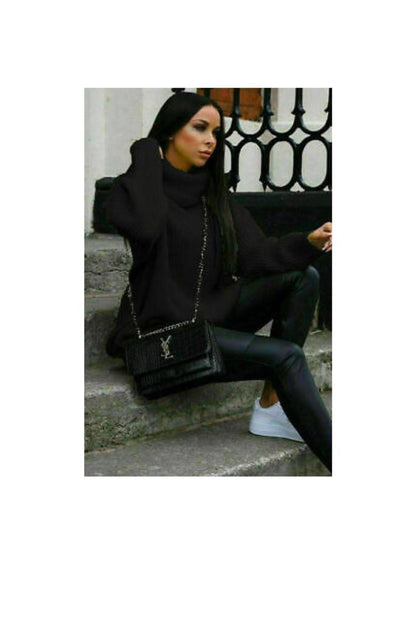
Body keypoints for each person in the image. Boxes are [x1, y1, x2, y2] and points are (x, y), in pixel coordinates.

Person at [104, 91, 332, 473]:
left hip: (206, 322)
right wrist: (145, 151)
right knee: (286, 356)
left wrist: (307, 242)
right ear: (170, 132)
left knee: (303, 277)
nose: (210, 140)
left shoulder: (213, 197)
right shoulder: (133, 189)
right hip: (163, 337)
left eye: (215, 132)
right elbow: (145, 227)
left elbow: (257, 255)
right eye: (199, 128)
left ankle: (272, 406)